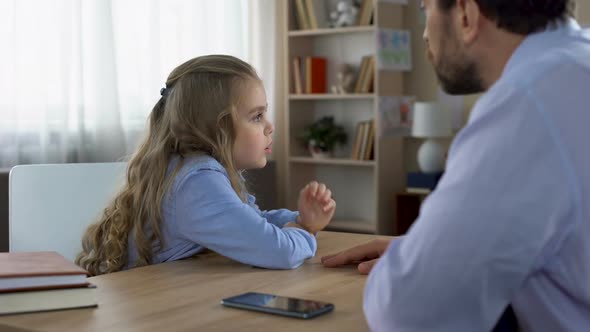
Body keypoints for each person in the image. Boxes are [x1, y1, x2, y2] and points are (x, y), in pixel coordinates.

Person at [322, 0, 590, 330]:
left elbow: (409, 313)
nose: (423, 33)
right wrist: (431, 247)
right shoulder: (575, 67)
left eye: (425, 10)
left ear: (466, 14)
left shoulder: (527, 105)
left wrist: (417, 264)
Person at [76, 55, 336, 276]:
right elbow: (280, 252)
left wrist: (300, 220)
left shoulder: (191, 171)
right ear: (217, 128)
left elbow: (252, 223)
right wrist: (303, 230)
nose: (270, 126)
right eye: (257, 116)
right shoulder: (197, 183)